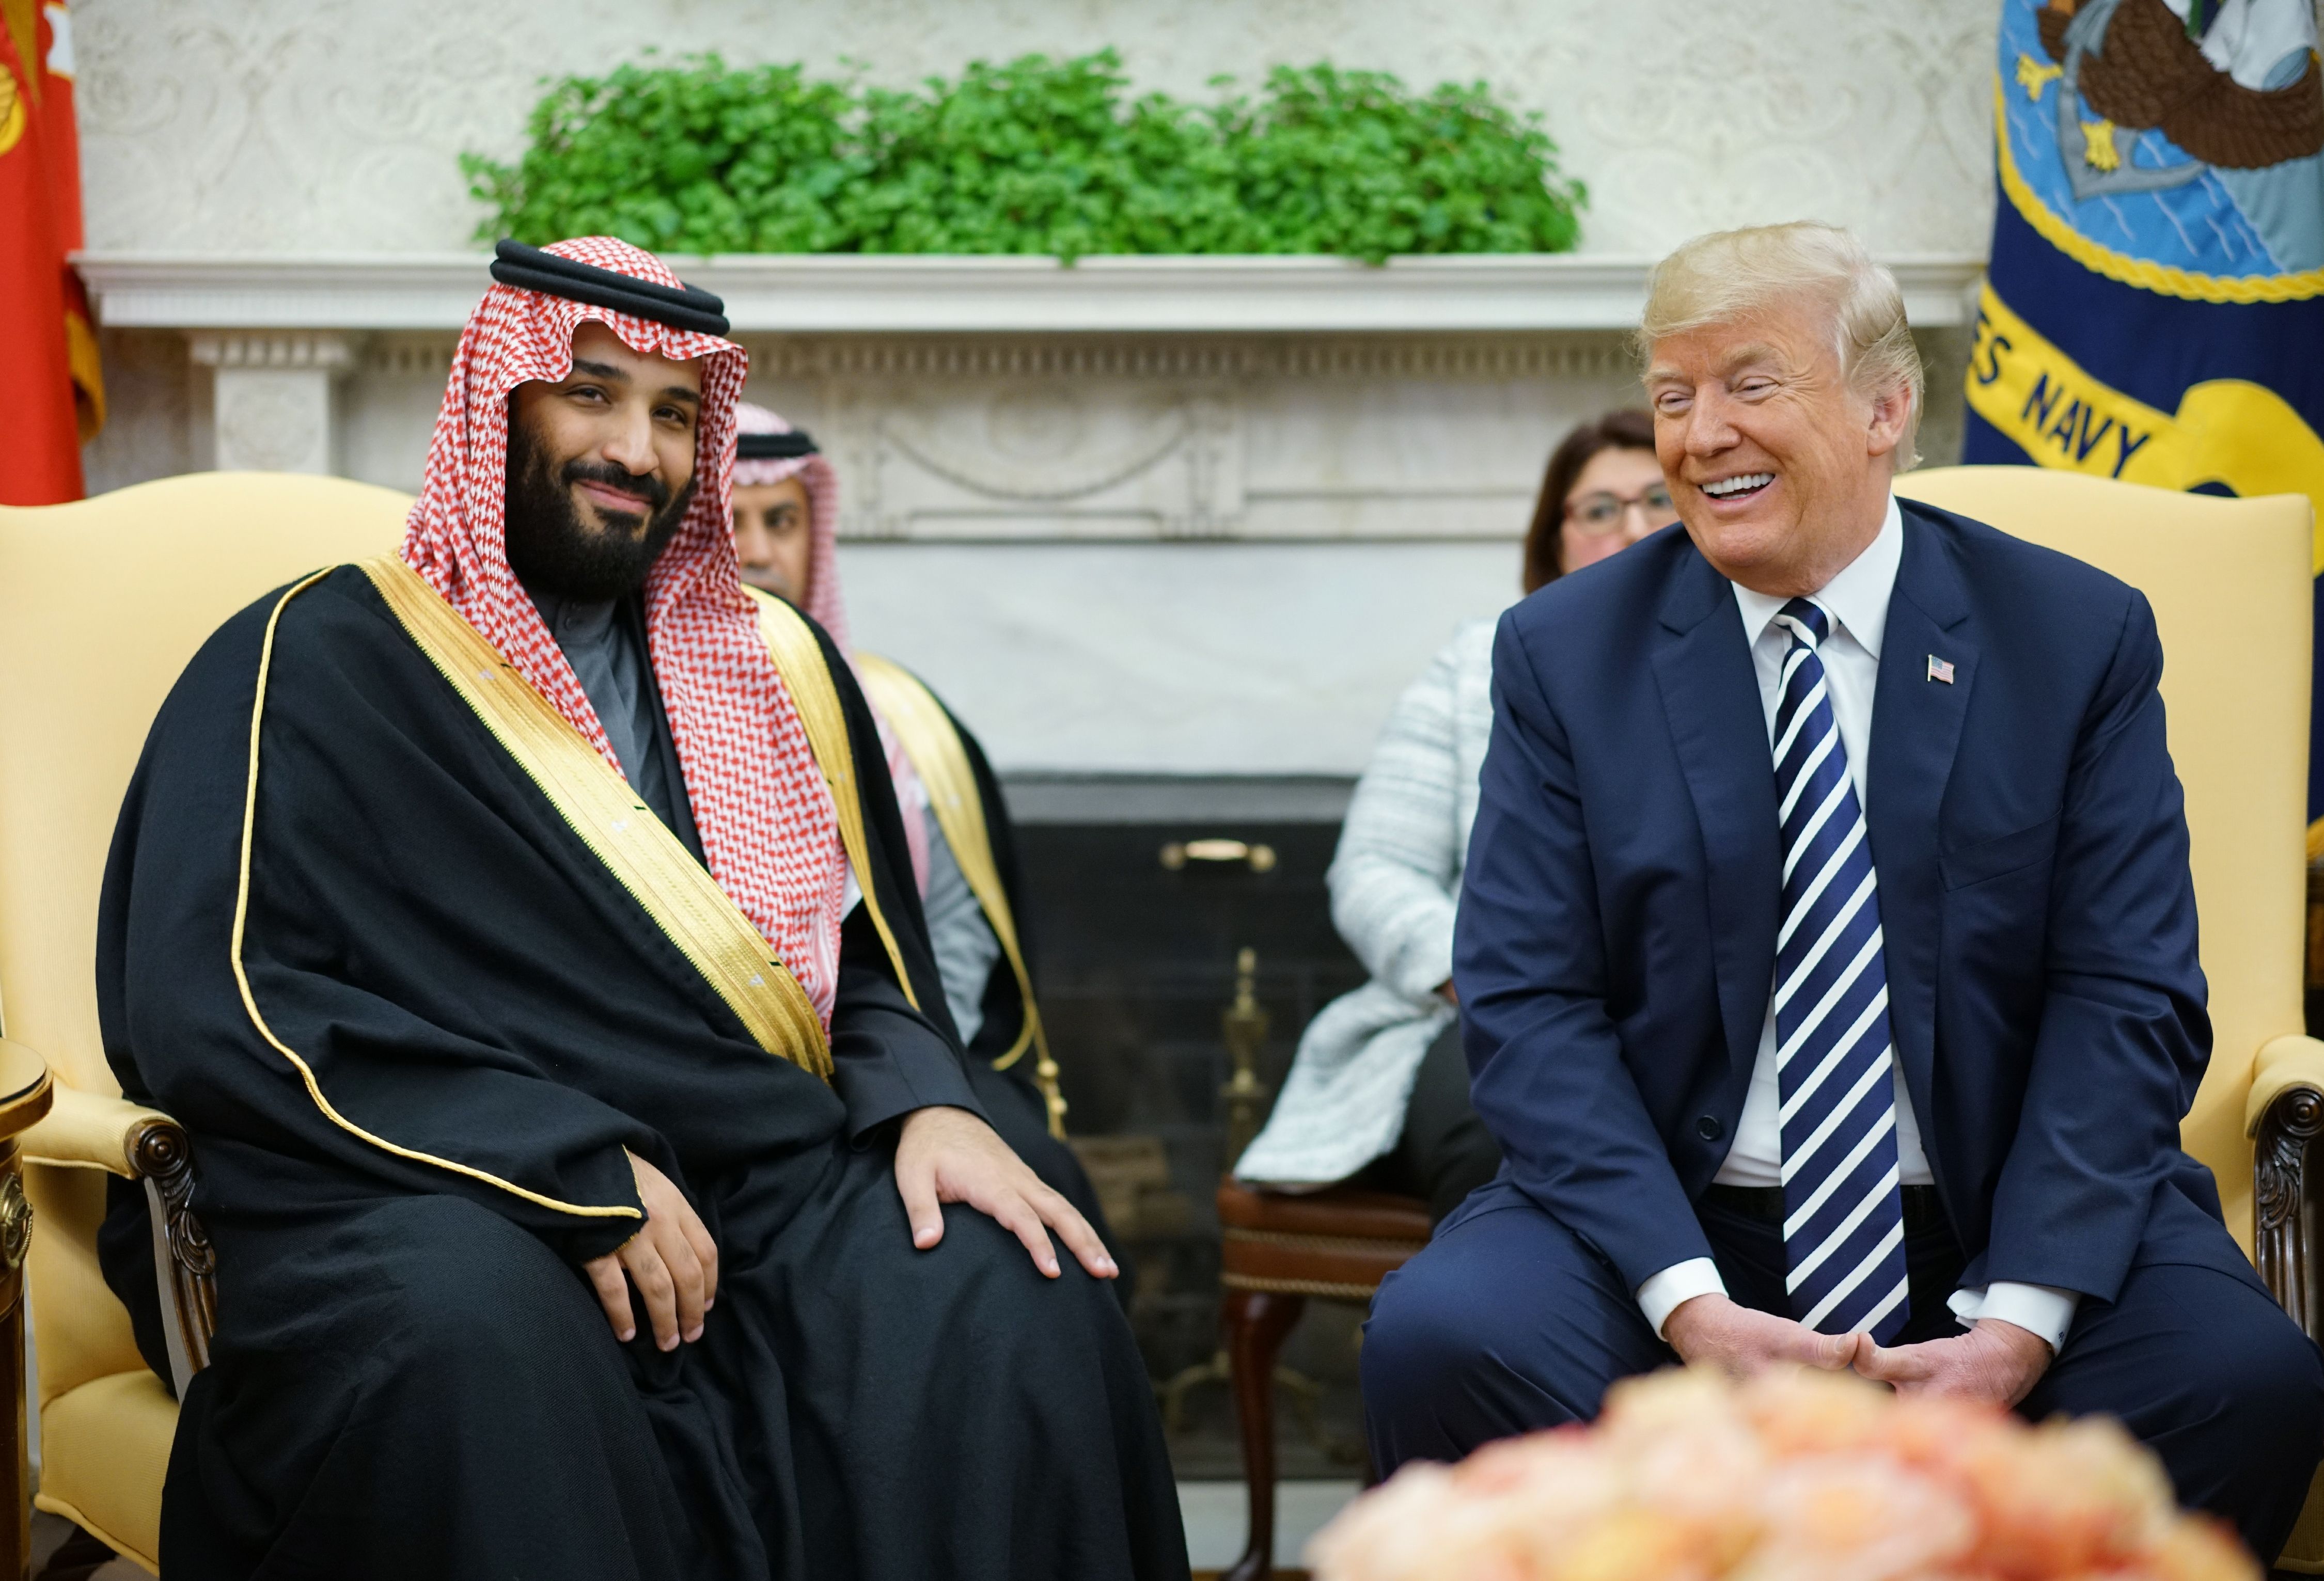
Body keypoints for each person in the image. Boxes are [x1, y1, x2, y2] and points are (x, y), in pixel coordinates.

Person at [93, 236, 1187, 1581]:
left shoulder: (761, 671)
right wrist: (557, 1160)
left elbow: (856, 962)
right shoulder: (303, 657)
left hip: (747, 1170)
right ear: (500, 402)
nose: (638, 447)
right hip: (414, 1174)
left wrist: (931, 1100)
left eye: (676, 414)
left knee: (1006, 1283)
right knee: (474, 1335)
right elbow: (225, 1000)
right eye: (593, 394)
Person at [1358, 220, 2324, 1561]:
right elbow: (1530, 1001)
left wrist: (2014, 1322)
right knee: (1441, 1338)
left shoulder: (2072, 637)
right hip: (1677, 1212)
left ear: (1884, 407)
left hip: (2001, 1203)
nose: (1696, 437)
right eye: (1671, 395)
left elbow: (2126, 992)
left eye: (1749, 386)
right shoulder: (1564, 654)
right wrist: (1688, 1304)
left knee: (2244, 1376)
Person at [1231, 411, 1674, 1224]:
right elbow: (1373, 871)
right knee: (1508, 1126)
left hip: (1690, 1026)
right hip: (1483, 1013)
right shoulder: (1477, 666)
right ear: (1555, 540)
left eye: (1659, 498)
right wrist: (1492, 982)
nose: (1635, 525)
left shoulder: (1761, 664)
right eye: (1601, 509)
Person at [725, 403, 1108, 1246]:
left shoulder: (898, 719)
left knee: (1038, 1178)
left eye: (781, 521)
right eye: (732, 520)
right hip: (735, 1082)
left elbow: (957, 937)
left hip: (918, 1055)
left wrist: (919, 1070)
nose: (758, 551)